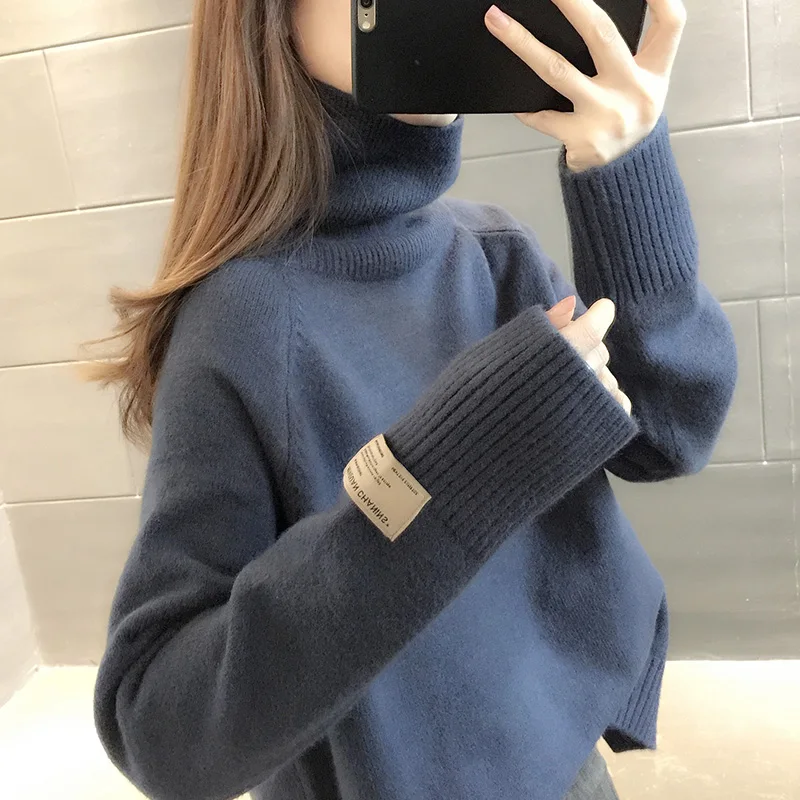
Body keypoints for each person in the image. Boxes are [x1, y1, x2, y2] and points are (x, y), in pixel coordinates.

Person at [90, 0, 737, 798]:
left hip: (571, 770)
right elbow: (161, 733)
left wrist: (627, 169)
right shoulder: (241, 323)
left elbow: (669, 434)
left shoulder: (493, 253)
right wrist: (452, 470)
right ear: (270, 17)